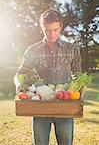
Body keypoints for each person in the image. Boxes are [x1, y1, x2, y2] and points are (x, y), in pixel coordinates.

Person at [14, 9, 81, 145]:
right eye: (47, 30)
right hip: (40, 107)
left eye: (55, 30)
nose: (52, 34)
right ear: (42, 27)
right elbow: (20, 73)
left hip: (64, 107)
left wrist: (79, 88)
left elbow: (78, 74)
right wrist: (19, 85)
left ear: (60, 26)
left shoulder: (72, 49)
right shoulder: (33, 50)